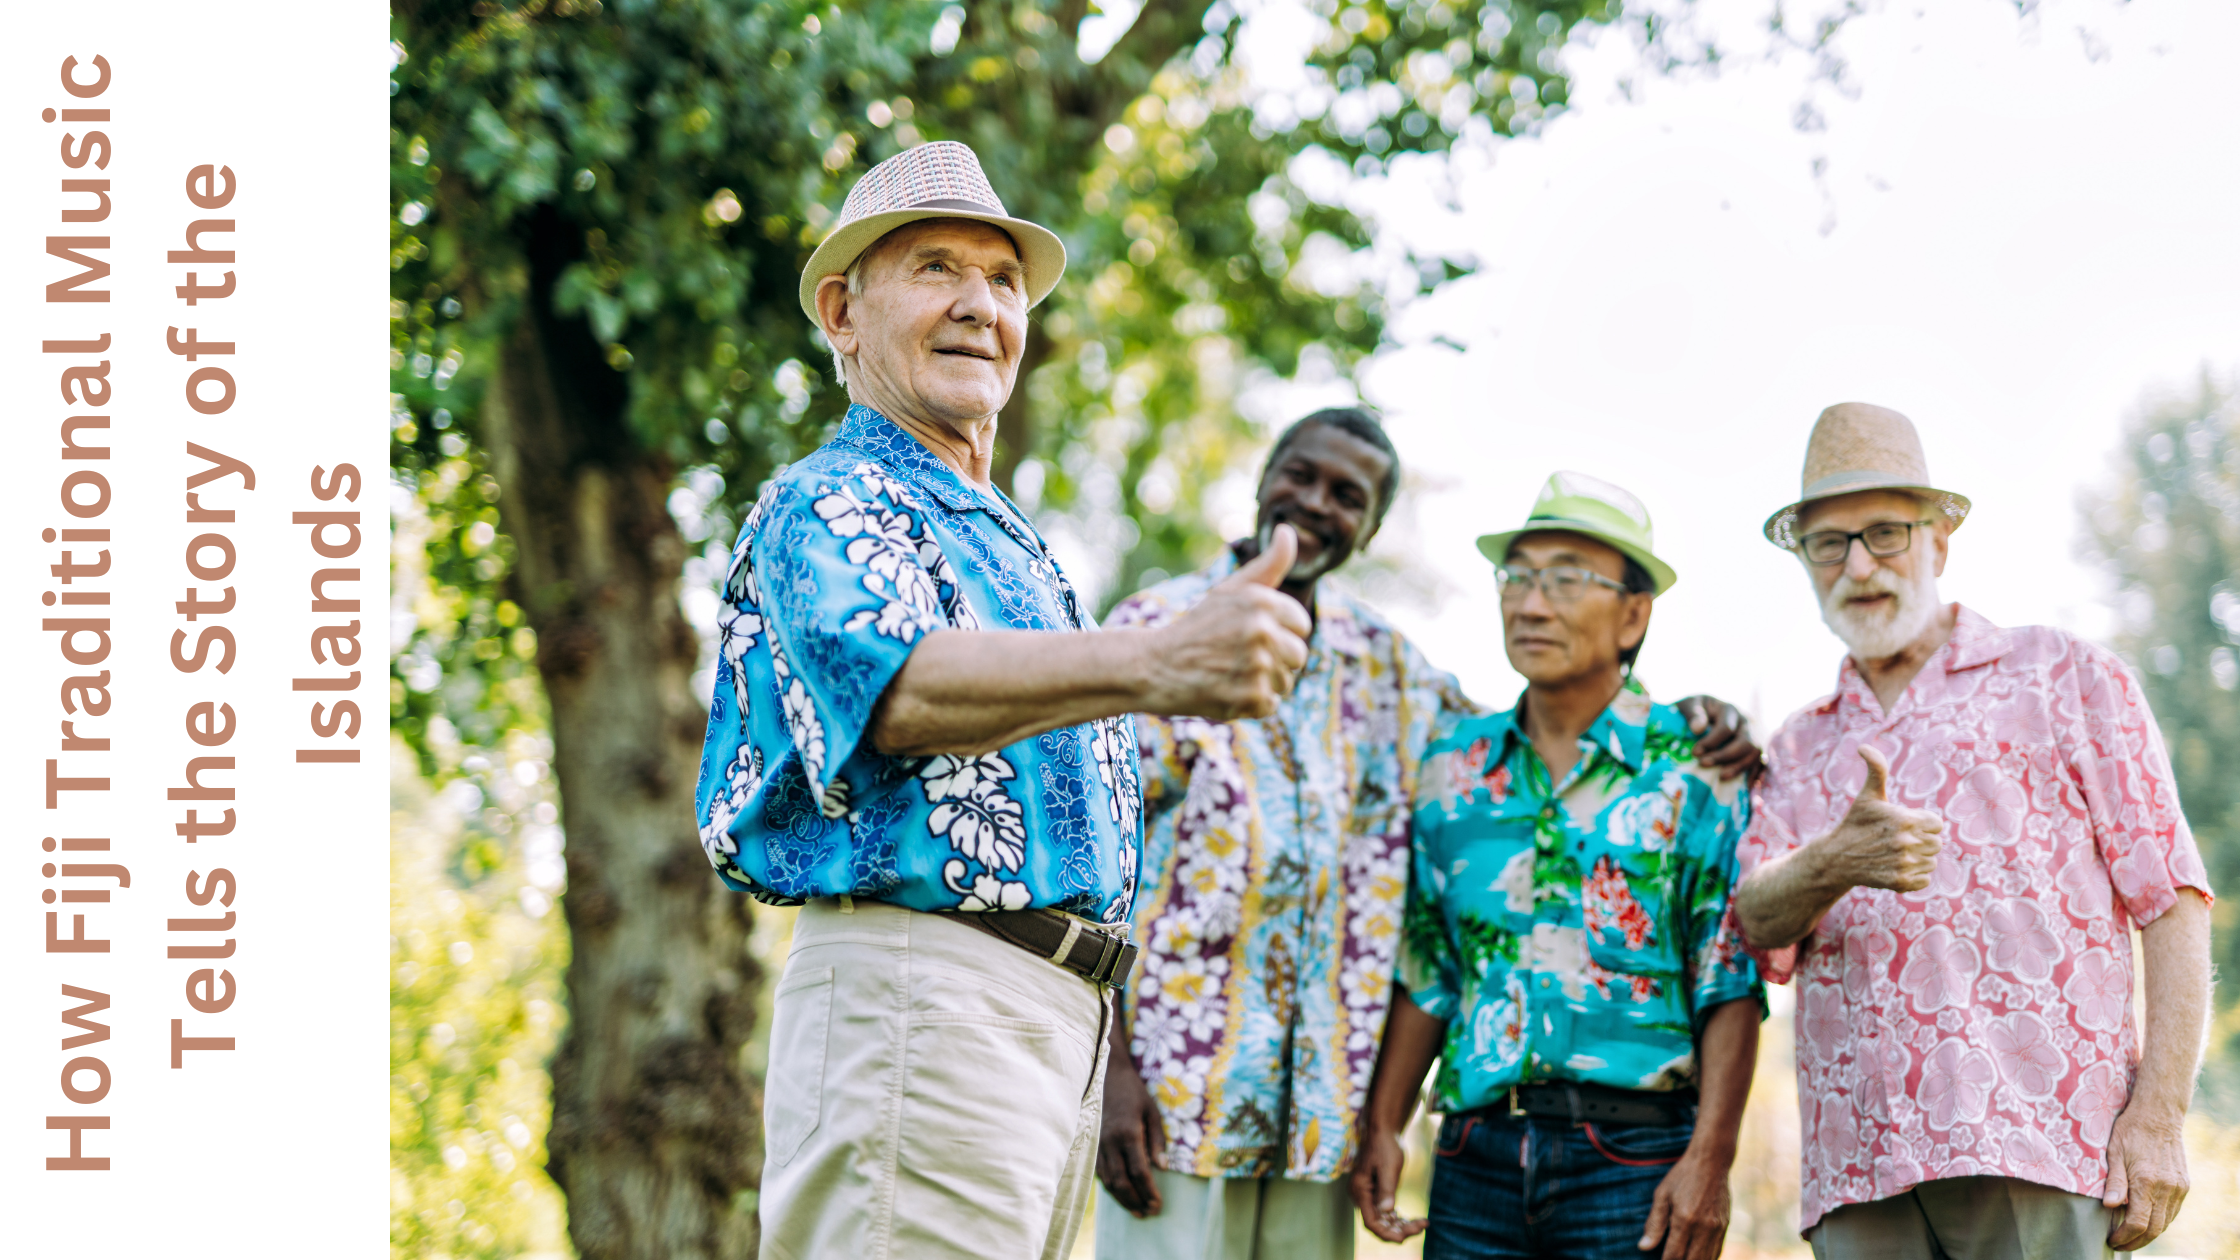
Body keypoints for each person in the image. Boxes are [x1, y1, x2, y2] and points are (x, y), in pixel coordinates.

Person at [693, 141, 1317, 1260]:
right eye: (935, 268)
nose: (979, 304)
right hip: (923, 1000)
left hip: (1046, 1022)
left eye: (1004, 279)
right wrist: (1163, 660)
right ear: (842, 311)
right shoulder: (829, 496)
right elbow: (896, 688)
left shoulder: (1012, 541)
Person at [1731, 402, 2215, 1259]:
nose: (1857, 564)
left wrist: (2160, 1116)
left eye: (1884, 532)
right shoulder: (1801, 746)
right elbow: (1756, 926)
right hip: (1860, 1172)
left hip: (2039, 1147)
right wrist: (1833, 862)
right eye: (1828, 543)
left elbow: (2171, 898)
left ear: (1938, 542)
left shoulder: (2065, 676)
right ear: (1804, 562)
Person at [1353, 472, 1766, 1260]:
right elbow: (1431, 965)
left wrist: (1711, 1161)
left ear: (1634, 613)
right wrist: (1383, 1124)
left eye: (1569, 578)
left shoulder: (1694, 770)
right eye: (1519, 576)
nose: (1531, 603)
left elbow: (1730, 978)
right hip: (1473, 1157)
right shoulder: (1453, 769)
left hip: (1634, 1165)